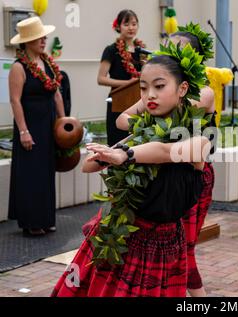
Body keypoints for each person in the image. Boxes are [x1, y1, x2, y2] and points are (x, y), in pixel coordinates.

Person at [51, 42, 212, 297]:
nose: (150, 95)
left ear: (182, 89)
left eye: (159, 87)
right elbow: (88, 166)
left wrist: (124, 155)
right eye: (144, 88)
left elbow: (165, 152)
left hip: (163, 247)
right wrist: (109, 154)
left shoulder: (198, 142)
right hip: (123, 237)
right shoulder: (139, 136)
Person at [116, 23, 216, 297]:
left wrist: (145, 120)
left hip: (191, 173)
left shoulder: (204, 92)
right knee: (161, 243)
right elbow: (122, 119)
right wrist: (146, 120)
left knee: (184, 245)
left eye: (178, 51)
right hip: (157, 169)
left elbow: (169, 119)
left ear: (194, 60)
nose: (170, 55)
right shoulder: (158, 93)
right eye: (167, 49)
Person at [8, 17, 65, 236]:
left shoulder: (48, 63)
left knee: (46, 171)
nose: (43, 40)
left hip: (49, 123)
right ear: (27, 42)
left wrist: (64, 122)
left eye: (44, 37)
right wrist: (23, 131)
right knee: (31, 172)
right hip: (30, 123)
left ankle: (46, 218)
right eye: (38, 38)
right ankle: (31, 221)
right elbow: (15, 100)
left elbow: (56, 93)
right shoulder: (18, 67)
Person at [97, 9, 147, 146]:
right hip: (117, 102)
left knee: (138, 143)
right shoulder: (111, 50)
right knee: (117, 144)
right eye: (126, 24)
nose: (131, 28)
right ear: (118, 27)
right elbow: (101, 79)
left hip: (138, 102)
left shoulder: (142, 51)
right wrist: (127, 83)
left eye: (134, 24)